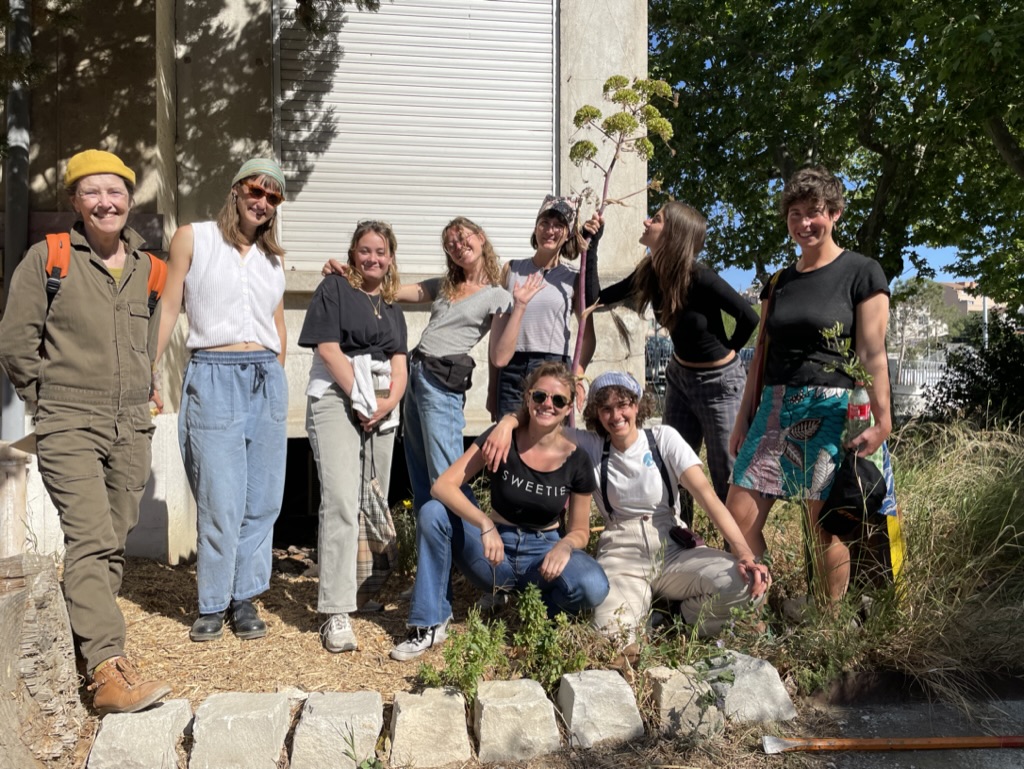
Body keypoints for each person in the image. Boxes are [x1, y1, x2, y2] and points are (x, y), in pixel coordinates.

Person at [0, 149, 171, 713]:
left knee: (112, 542)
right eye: (93, 193)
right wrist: (46, 404)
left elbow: (146, 342)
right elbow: (15, 340)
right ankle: (106, 671)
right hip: (69, 419)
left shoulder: (151, 267)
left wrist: (147, 386)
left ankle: (90, 651)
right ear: (76, 202)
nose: (106, 202)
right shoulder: (48, 258)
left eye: (116, 192)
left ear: (129, 200)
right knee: (92, 538)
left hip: (130, 423)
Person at [484, 372, 769, 642]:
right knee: (611, 634)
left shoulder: (663, 439)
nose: (616, 415)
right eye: (606, 409)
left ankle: (682, 617)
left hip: (672, 545)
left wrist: (743, 552)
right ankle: (645, 615)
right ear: (597, 414)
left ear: (637, 404)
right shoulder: (591, 445)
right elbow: (543, 418)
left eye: (623, 404)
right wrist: (508, 422)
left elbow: (708, 497)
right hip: (621, 550)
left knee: (746, 586)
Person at [727, 166, 891, 604]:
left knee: (825, 527)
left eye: (814, 212)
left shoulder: (862, 272)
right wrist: (744, 419)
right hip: (776, 409)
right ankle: (764, 609)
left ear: (834, 213)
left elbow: (872, 353)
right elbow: (760, 355)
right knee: (738, 517)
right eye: (794, 214)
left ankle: (827, 625)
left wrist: (883, 419)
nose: (803, 223)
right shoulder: (779, 282)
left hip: (832, 408)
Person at [390, 362, 609, 660]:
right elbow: (442, 486)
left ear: (569, 406)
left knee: (594, 585)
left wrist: (565, 545)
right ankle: (430, 622)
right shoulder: (502, 438)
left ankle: (541, 618)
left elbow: (581, 530)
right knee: (433, 512)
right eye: (540, 396)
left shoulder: (577, 460)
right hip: (493, 554)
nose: (548, 404)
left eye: (558, 400)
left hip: (542, 557)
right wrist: (484, 523)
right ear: (528, 397)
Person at [157, 157, 288, 642]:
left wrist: (274, 371)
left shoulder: (273, 259)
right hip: (213, 375)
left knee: (263, 500)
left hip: (265, 381)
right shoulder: (194, 237)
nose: (263, 202)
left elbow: (277, 322)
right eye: (256, 190)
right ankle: (212, 602)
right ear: (236, 190)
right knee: (219, 499)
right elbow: (169, 304)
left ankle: (245, 596)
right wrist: (152, 369)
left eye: (273, 197)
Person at [595, 202, 758, 518]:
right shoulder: (651, 273)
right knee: (673, 467)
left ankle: (742, 557)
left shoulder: (700, 277)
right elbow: (599, 298)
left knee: (727, 473)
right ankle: (682, 543)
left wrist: (728, 354)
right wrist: (594, 243)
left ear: (673, 233)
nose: (646, 221)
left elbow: (748, 317)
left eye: (655, 219)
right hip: (680, 379)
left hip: (720, 384)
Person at [300, 220, 409, 653]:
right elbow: (328, 349)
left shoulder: (391, 305)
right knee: (342, 501)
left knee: (371, 501)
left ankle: (362, 593)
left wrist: (385, 402)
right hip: (337, 395)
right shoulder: (334, 290)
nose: (373, 259)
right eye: (365, 250)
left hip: (381, 404)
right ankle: (335, 610)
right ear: (352, 253)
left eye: (381, 252)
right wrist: (361, 399)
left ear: (390, 257)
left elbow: (399, 363)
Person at [489, 196, 603, 419]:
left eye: (559, 225)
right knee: (508, 442)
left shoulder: (573, 278)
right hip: (512, 368)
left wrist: (577, 377)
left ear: (568, 233)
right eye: (544, 223)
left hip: (554, 367)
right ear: (535, 227)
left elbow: (587, 337)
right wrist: (492, 389)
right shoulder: (511, 269)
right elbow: (497, 335)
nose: (550, 231)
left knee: (547, 440)